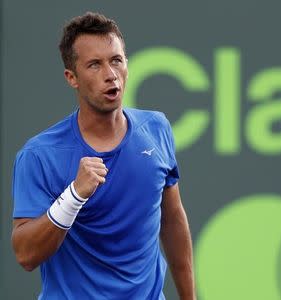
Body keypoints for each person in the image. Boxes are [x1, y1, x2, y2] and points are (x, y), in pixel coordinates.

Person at [11, 12, 196, 300]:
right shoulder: (39, 155)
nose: (110, 75)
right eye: (95, 65)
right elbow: (25, 254)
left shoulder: (156, 128)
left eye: (116, 60)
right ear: (72, 77)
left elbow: (171, 220)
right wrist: (73, 196)